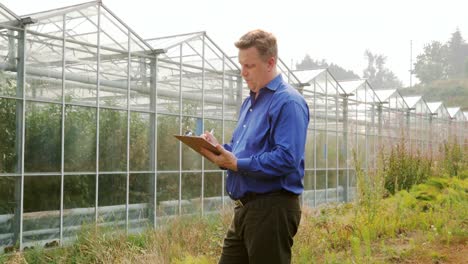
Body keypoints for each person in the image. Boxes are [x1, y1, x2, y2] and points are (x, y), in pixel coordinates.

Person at [200, 29, 309, 264]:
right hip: (245, 208)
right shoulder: (250, 103)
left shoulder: (288, 102)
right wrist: (218, 148)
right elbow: (243, 151)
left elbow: (287, 158)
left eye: (249, 65)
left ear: (270, 63)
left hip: (272, 209)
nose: (243, 72)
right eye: (241, 65)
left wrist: (237, 163)